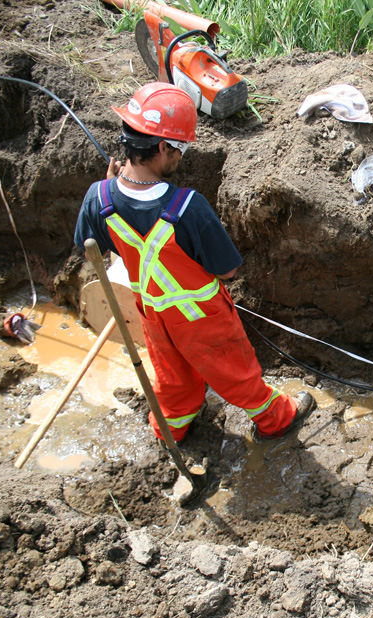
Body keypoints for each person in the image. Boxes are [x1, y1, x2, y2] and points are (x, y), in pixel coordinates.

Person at [74, 82, 315, 444]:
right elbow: (227, 270)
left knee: (172, 380)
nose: (181, 156)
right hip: (202, 318)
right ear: (160, 147)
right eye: (179, 148)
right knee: (236, 373)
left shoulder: (98, 197)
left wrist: (109, 190)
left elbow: (94, 247)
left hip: (154, 316)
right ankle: (276, 420)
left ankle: (171, 430)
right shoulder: (187, 207)